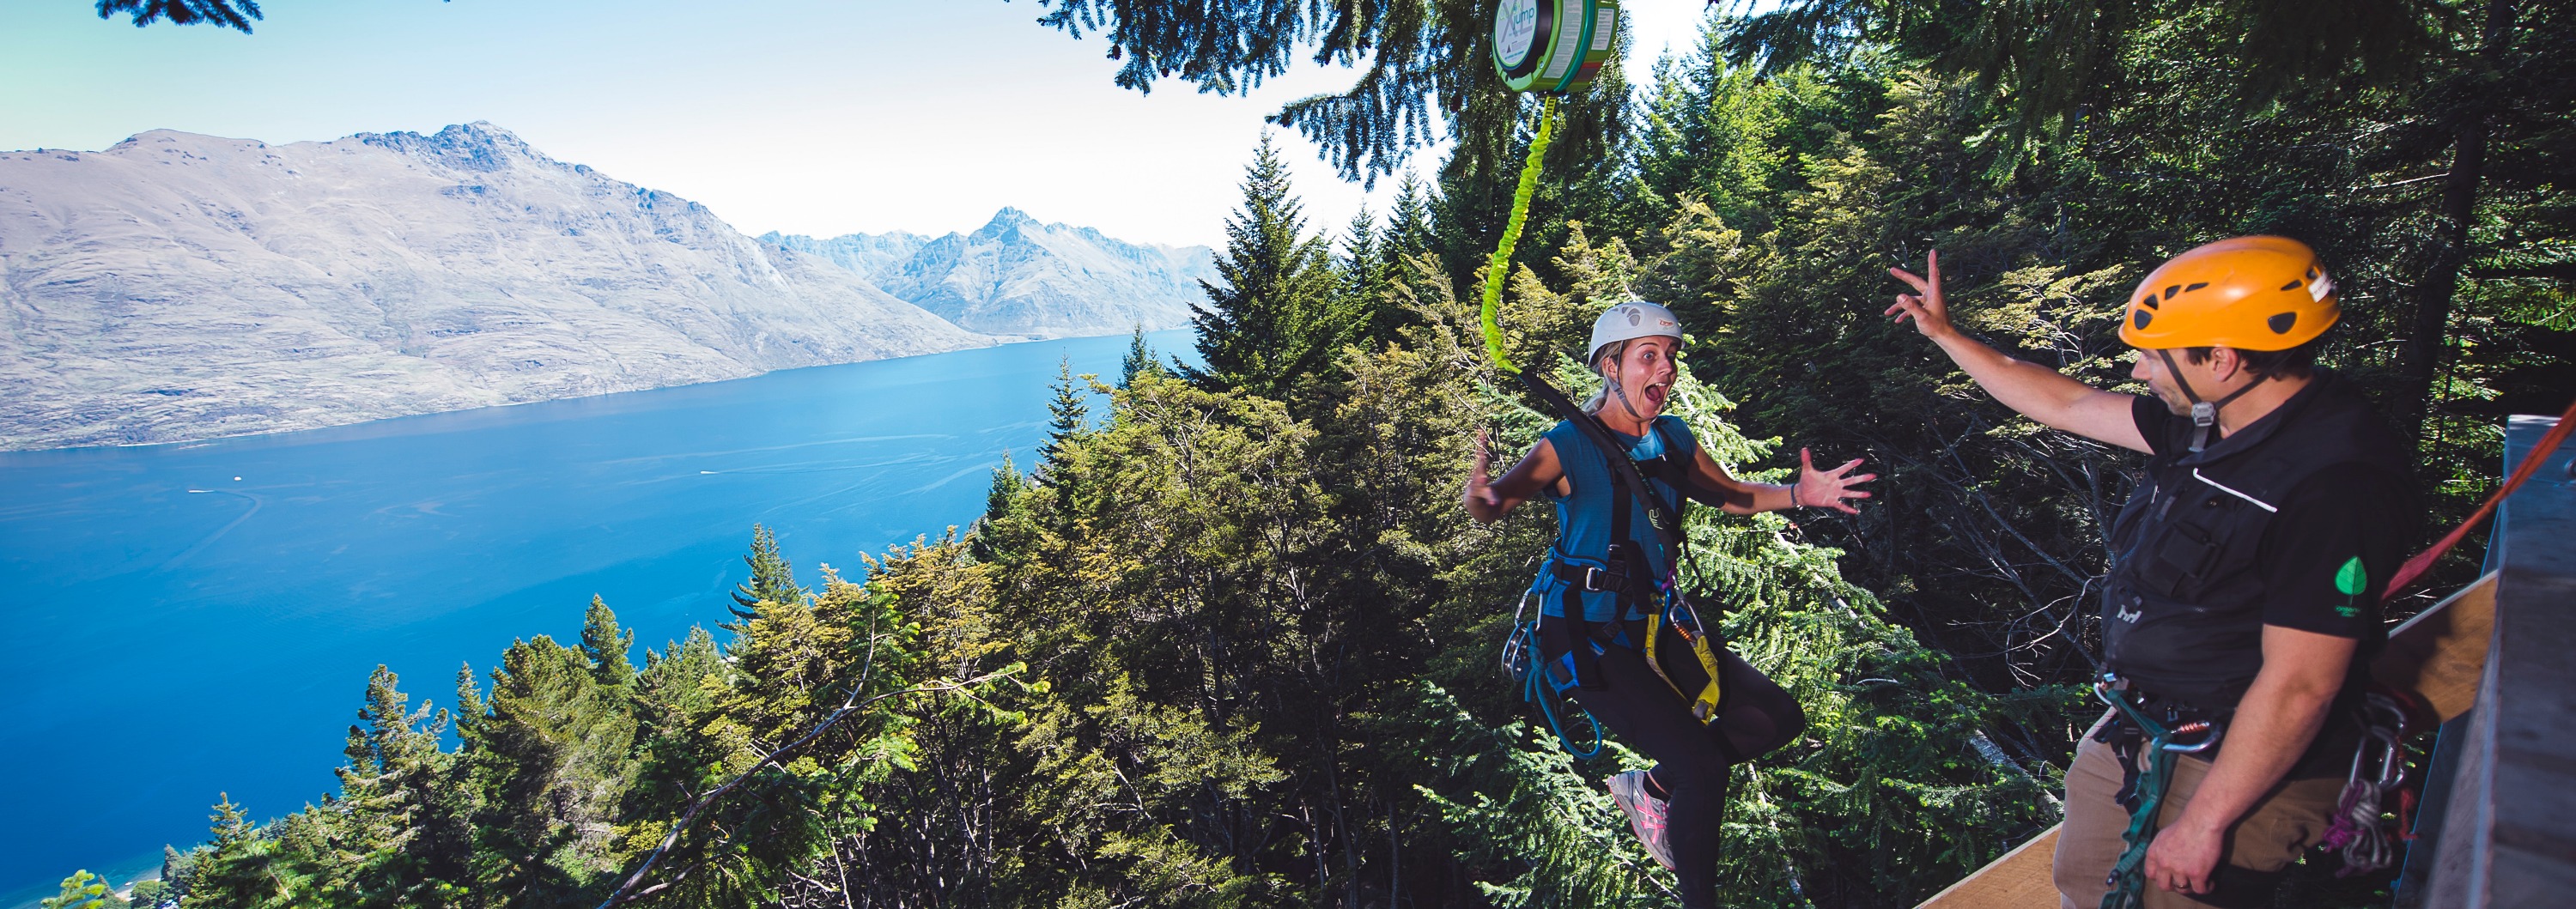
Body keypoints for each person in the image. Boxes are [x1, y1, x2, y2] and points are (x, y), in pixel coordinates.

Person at [1885, 238, 2419, 908]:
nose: (2139, 372)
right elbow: (2069, 405)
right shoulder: (2213, 419)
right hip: (2145, 727)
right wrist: (1946, 335)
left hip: (2233, 766)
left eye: (2153, 355)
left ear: (2221, 358)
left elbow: (2301, 683)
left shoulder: (2332, 486)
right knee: (2084, 884)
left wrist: (2206, 822)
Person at [1462, 300, 1874, 908]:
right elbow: (1493, 505)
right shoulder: (1567, 445)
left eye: (1671, 357)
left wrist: (1797, 492)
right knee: (1704, 767)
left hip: (1654, 627)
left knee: (1778, 719)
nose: (1665, 369)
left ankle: (1653, 788)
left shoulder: (1674, 439)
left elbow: (1730, 494)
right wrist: (1478, 487)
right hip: (1585, 636)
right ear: (1610, 366)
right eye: (1648, 356)